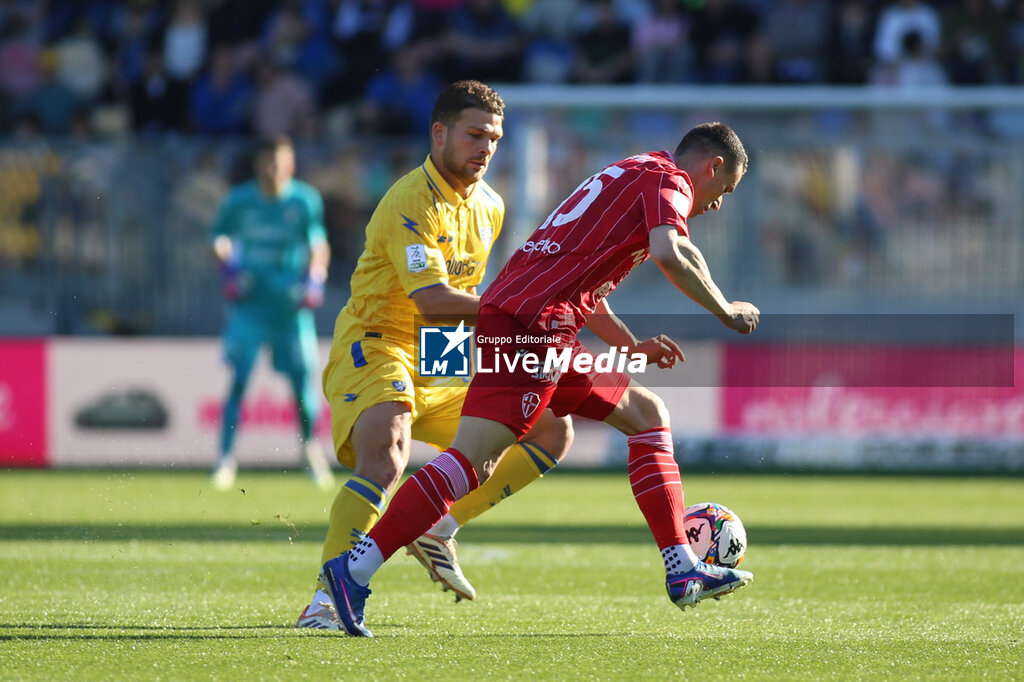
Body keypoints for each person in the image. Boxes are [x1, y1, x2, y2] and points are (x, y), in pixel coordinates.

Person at [318, 122, 761, 637]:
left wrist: (630, 347)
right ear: (711, 168)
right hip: (531, 330)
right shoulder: (671, 183)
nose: (717, 204)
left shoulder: (634, 172)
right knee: (471, 461)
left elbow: (584, 281)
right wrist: (725, 309)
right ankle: (353, 571)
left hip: (540, 324)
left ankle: (681, 566)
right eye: (724, 191)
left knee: (646, 415)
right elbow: (671, 253)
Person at [296, 80, 574, 629]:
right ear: (439, 133)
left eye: (494, 139)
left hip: (437, 353)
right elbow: (432, 299)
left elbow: (468, 299)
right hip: (377, 342)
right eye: (474, 135)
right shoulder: (409, 200)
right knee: (388, 451)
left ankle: (438, 526)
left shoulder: (490, 206)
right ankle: (327, 602)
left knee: (551, 429)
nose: (486, 148)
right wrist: (523, 313)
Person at [210, 135, 335, 491]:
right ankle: (225, 459)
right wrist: (228, 268)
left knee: (302, 387)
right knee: (238, 382)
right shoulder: (238, 201)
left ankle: (310, 452)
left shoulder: (305, 199)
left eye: (279, 162)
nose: (273, 170)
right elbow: (218, 240)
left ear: (291, 164)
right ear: (257, 165)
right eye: (267, 162)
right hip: (250, 308)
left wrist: (315, 279)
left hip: (290, 310)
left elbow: (318, 244)